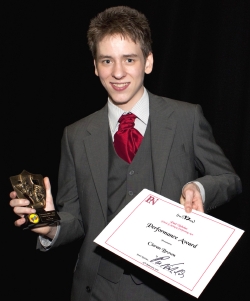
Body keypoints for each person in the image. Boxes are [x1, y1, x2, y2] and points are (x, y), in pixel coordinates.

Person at [9, 6, 242, 301]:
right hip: (95, 290)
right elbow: (77, 219)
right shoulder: (76, 135)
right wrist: (46, 225)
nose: (117, 72)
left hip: (167, 288)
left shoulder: (186, 118)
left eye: (129, 59)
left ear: (148, 62)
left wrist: (199, 188)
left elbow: (230, 178)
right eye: (107, 60)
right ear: (95, 66)